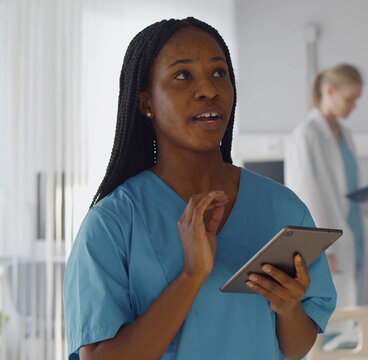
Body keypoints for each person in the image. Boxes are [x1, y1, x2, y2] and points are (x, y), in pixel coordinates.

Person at [63, 17, 336, 360]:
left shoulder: (283, 209)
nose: (209, 90)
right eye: (183, 75)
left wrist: (289, 308)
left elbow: (294, 349)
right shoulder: (113, 222)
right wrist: (191, 275)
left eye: (219, 73)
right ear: (146, 102)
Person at [285, 64, 368, 309]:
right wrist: (317, 250)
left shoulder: (345, 134)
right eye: (349, 99)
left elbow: (347, 191)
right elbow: (303, 196)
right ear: (329, 91)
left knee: (352, 312)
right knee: (329, 321)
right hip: (328, 243)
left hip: (353, 234)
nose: (354, 107)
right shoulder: (306, 135)